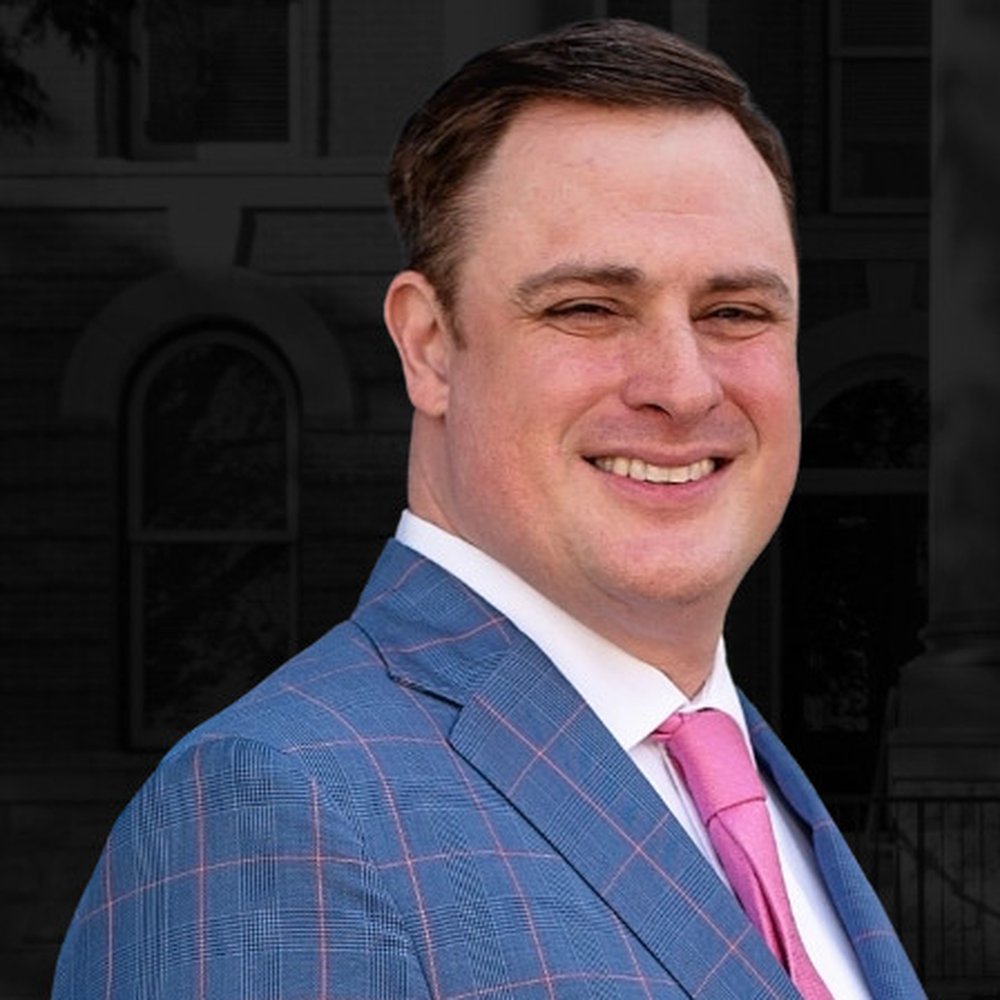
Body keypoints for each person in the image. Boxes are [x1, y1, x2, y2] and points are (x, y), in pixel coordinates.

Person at [53, 19, 925, 999]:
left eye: (735, 313)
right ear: (429, 346)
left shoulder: (757, 792)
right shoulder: (271, 811)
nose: (683, 387)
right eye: (587, 308)